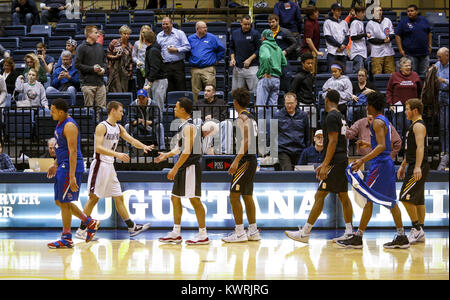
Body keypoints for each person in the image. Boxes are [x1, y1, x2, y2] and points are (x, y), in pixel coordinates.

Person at [338, 91, 409, 249]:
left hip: (380, 166)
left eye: (367, 104)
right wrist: (368, 145)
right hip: (385, 164)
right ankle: (401, 235)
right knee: (387, 202)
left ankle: (359, 237)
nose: (366, 107)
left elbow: (383, 146)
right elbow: (385, 146)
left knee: (372, 199)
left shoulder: (377, 122)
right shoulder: (383, 120)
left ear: (370, 106)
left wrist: (362, 159)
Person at [75, 101, 154, 240]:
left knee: (119, 197)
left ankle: (131, 227)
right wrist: (117, 154)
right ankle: (81, 231)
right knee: (93, 198)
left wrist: (144, 147)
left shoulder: (119, 127)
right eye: (121, 111)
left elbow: (131, 140)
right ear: (112, 111)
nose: (122, 113)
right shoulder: (102, 126)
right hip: (100, 164)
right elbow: (98, 148)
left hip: (109, 166)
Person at [285, 89, 354, 244]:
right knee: (343, 195)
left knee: (320, 195)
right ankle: (349, 231)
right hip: (342, 159)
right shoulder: (341, 116)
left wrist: (325, 164)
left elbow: (333, 141)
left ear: (327, 100)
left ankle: (305, 232)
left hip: (335, 161)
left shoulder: (331, 116)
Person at [155, 97, 210, 245]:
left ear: (183, 110)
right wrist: (166, 155)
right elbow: (179, 148)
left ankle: (203, 234)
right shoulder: (183, 126)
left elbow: (186, 152)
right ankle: (176, 232)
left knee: (194, 200)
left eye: (176, 107)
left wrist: (174, 168)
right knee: (175, 197)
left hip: (190, 166)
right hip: (184, 167)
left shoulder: (189, 127)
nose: (174, 109)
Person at [46, 98, 100, 248]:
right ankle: (89, 222)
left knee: (64, 203)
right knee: (60, 201)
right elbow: (61, 148)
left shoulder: (69, 125)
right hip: (63, 164)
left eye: (53, 110)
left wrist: (71, 175)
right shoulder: (60, 123)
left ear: (61, 112)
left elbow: (73, 151)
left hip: (70, 166)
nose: (51, 113)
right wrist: (55, 163)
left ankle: (67, 237)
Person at [222, 87, 261, 243]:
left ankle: (239, 232)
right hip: (252, 159)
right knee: (247, 196)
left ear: (235, 102)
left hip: (245, 160)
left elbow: (246, 141)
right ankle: (253, 230)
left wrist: (236, 160)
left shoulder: (241, 118)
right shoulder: (252, 116)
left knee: (234, 196)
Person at [397, 98, 430, 245]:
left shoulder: (418, 126)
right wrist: (403, 165)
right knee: (418, 200)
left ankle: (416, 229)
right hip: (413, 164)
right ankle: (420, 231)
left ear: (414, 111)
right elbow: (410, 149)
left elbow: (420, 148)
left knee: (404, 197)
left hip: (418, 166)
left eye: (407, 109)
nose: (405, 112)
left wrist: (417, 166)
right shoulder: (414, 126)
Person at [188, 21, 225, 102]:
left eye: (206, 27)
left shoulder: (212, 38)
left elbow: (221, 49)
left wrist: (217, 59)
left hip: (208, 68)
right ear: (198, 29)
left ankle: (211, 112)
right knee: (195, 92)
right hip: (195, 69)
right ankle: (197, 113)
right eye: (204, 28)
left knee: (210, 91)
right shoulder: (190, 38)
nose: (206, 29)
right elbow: (187, 52)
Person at [256, 29, 287, 123]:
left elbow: (266, 57)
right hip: (277, 79)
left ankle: (262, 133)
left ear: (264, 37)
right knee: (273, 107)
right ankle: (272, 133)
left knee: (261, 106)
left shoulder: (264, 46)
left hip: (266, 77)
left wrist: (268, 72)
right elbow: (284, 62)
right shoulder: (278, 48)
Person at [386, 57, 422, 136]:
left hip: (412, 107)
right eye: (406, 66)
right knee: (398, 129)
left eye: (409, 65)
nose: (408, 67)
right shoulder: (394, 76)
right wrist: (390, 103)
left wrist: (418, 102)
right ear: (400, 67)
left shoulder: (415, 75)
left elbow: (420, 90)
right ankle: (398, 147)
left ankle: (408, 147)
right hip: (398, 107)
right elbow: (389, 91)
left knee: (409, 129)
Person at [275, 92, 310, 171]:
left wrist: (306, 150)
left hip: (300, 150)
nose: (289, 106)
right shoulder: (277, 115)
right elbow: (272, 134)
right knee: (288, 172)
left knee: (300, 174)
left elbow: (307, 135)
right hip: (283, 150)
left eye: (291, 103)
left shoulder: (303, 115)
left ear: (296, 103)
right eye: (287, 103)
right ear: (284, 103)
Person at [75, 25, 107, 108]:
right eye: (96, 33)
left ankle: (100, 121)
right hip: (87, 84)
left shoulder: (100, 47)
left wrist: (103, 69)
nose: (98, 35)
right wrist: (92, 69)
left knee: (102, 109)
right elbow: (77, 65)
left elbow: (104, 62)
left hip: (100, 83)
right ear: (89, 34)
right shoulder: (81, 48)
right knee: (89, 110)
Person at [396, 5, 432, 76]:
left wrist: (430, 45)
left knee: (425, 75)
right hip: (410, 54)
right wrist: (400, 50)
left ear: (417, 11)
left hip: (424, 53)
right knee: (412, 75)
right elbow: (397, 35)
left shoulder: (424, 20)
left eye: (412, 11)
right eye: (408, 11)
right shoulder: (403, 22)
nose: (409, 13)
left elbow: (429, 33)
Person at [157, 17, 191, 92]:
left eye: (167, 24)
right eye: (163, 24)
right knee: (168, 88)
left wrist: (177, 49)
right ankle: (170, 104)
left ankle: (181, 103)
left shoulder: (179, 33)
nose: (165, 26)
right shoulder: (159, 36)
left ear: (171, 24)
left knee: (181, 87)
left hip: (178, 65)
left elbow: (187, 47)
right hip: (165, 66)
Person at [195, 84, 231, 154]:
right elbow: (195, 116)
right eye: (205, 91)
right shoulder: (198, 103)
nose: (205, 93)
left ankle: (224, 151)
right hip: (203, 125)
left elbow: (224, 116)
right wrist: (204, 119)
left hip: (217, 125)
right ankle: (197, 150)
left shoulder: (221, 103)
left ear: (214, 93)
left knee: (227, 123)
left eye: (208, 91)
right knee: (197, 121)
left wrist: (213, 118)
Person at [229, 15, 261, 94]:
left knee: (255, 93)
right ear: (241, 23)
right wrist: (232, 59)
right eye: (245, 24)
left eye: (249, 24)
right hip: (238, 68)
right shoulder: (235, 33)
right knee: (237, 94)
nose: (247, 26)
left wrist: (249, 59)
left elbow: (259, 50)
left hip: (252, 68)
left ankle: (255, 107)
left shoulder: (255, 34)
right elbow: (231, 48)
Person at [143, 30, 168, 121]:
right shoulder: (153, 48)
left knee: (158, 106)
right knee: (148, 105)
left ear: (145, 39)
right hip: (153, 79)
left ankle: (158, 128)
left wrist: (149, 82)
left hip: (158, 80)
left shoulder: (153, 50)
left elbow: (155, 68)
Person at [366, 6, 396, 75]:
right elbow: (371, 39)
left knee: (391, 73)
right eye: (377, 11)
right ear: (373, 13)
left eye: (380, 10)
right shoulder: (370, 24)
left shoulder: (387, 20)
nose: (379, 12)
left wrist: (389, 38)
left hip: (389, 52)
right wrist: (383, 41)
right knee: (377, 73)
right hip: (376, 53)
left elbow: (392, 33)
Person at [106, 25, 133, 93]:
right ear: (121, 34)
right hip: (114, 70)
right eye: (125, 34)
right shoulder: (114, 43)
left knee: (124, 90)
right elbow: (107, 54)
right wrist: (115, 57)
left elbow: (131, 61)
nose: (126, 36)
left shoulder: (130, 47)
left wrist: (129, 72)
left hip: (124, 72)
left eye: (128, 34)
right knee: (114, 90)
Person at [323, 2, 349, 70]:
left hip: (343, 53)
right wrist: (339, 46)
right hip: (333, 52)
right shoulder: (327, 22)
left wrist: (343, 45)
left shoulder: (344, 23)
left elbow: (347, 36)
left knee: (343, 74)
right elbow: (328, 37)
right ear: (332, 10)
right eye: (337, 10)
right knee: (332, 74)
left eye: (340, 10)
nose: (339, 12)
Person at [435, 47, 449, 167]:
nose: (438, 59)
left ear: (447, 56)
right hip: (441, 99)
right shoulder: (438, 64)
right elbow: (432, 72)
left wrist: (443, 80)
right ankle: (444, 151)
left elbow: (441, 80)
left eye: (440, 57)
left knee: (448, 127)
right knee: (443, 128)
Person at [300, 5, 324, 75]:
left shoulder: (315, 20)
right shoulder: (308, 24)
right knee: (310, 73)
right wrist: (316, 52)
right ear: (311, 14)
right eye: (316, 12)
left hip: (313, 50)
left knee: (313, 73)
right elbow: (308, 40)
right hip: (308, 51)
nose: (318, 13)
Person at [349, 6, 368, 73]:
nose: (364, 14)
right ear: (357, 13)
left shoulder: (360, 22)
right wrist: (364, 35)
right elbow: (353, 37)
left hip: (361, 52)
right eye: (362, 12)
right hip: (357, 52)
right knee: (358, 73)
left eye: (364, 12)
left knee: (362, 73)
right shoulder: (355, 23)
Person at [133, 25, 152, 91]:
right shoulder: (137, 43)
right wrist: (137, 61)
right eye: (143, 32)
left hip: (150, 69)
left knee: (149, 88)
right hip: (141, 69)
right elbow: (134, 56)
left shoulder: (152, 43)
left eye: (146, 32)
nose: (144, 34)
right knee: (141, 87)